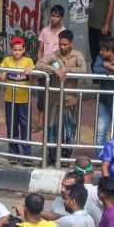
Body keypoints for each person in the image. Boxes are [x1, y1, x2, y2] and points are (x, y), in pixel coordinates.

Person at [35, 29, 87, 160]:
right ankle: (51, 155)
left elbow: (83, 70)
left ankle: (65, 156)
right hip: (55, 100)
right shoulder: (54, 55)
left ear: (71, 44)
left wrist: (67, 70)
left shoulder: (78, 55)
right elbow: (39, 64)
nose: (62, 47)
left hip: (70, 100)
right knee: (52, 128)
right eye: (60, 44)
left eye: (65, 44)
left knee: (68, 130)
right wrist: (55, 70)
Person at [0, 36, 36, 158]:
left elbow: (33, 79)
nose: (17, 52)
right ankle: (14, 153)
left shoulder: (29, 61)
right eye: (15, 50)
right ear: (11, 49)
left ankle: (26, 154)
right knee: (11, 125)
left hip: (24, 99)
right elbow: (2, 78)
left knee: (25, 126)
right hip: (10, 99)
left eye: (20, 50)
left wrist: (31, 72)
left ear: (24, 49)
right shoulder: (7, 60)